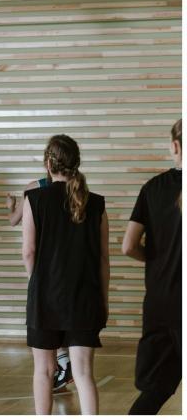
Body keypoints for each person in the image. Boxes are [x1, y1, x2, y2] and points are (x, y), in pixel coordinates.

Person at [22, 134, 109, 415]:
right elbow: (103, 259)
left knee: (44, 372)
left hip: (45, 297)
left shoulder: (33, 199)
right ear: (76, 164)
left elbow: (29, 252)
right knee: (83, 374)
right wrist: (103, 300)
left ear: (48, 163)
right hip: (85, 296)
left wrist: (37, 284)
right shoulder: (96, 204)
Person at [123, 119, 182, 415]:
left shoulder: (152, 187)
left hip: (160, 302)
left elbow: (128, 245)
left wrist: (158, 260)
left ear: (175, 146)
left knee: (155, 390)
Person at [6, 182, 71, 393]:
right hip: (70, 266)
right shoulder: (76, 189)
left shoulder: (34, 189)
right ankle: (65, 362)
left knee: (47, 326)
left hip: (44, 269)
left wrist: (11, 206)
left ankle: (62, 364)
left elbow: (13, 220)